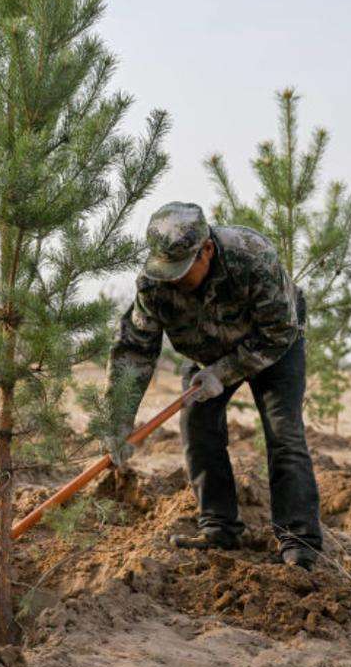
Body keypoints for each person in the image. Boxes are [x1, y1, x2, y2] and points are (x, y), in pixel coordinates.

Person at [102, 201, 322, 569]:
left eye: (182, 270)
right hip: (205, 354)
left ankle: (299, 542)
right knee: (197, 425)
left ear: (206, 250)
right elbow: (135, 350)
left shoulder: (253, 258)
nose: (173, 278)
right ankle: (219, 527)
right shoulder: (154, 282)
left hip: (273, 346)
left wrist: (225, 371)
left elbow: (280, 331)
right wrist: (117, 420)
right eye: (166, 270)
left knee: (284, 434)